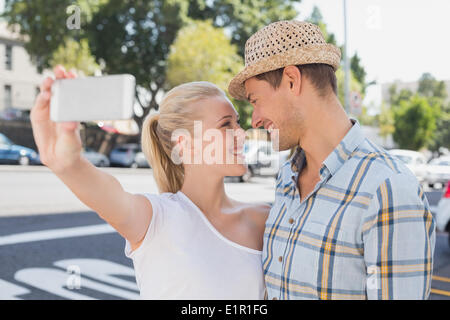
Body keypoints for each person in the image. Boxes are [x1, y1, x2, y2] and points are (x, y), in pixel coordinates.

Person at [228, 20, 436, 300]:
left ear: (292, 80)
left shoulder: (387, 190)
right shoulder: (286, 179)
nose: (254, 119)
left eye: (255, 100)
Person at [30, 65, 269, 299]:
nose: (241, 133)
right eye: (226, 124)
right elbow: (109, 196)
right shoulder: (157, 218)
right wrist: (68, 164)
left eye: (237, 122)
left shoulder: (263, 217)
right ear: (184, 144)